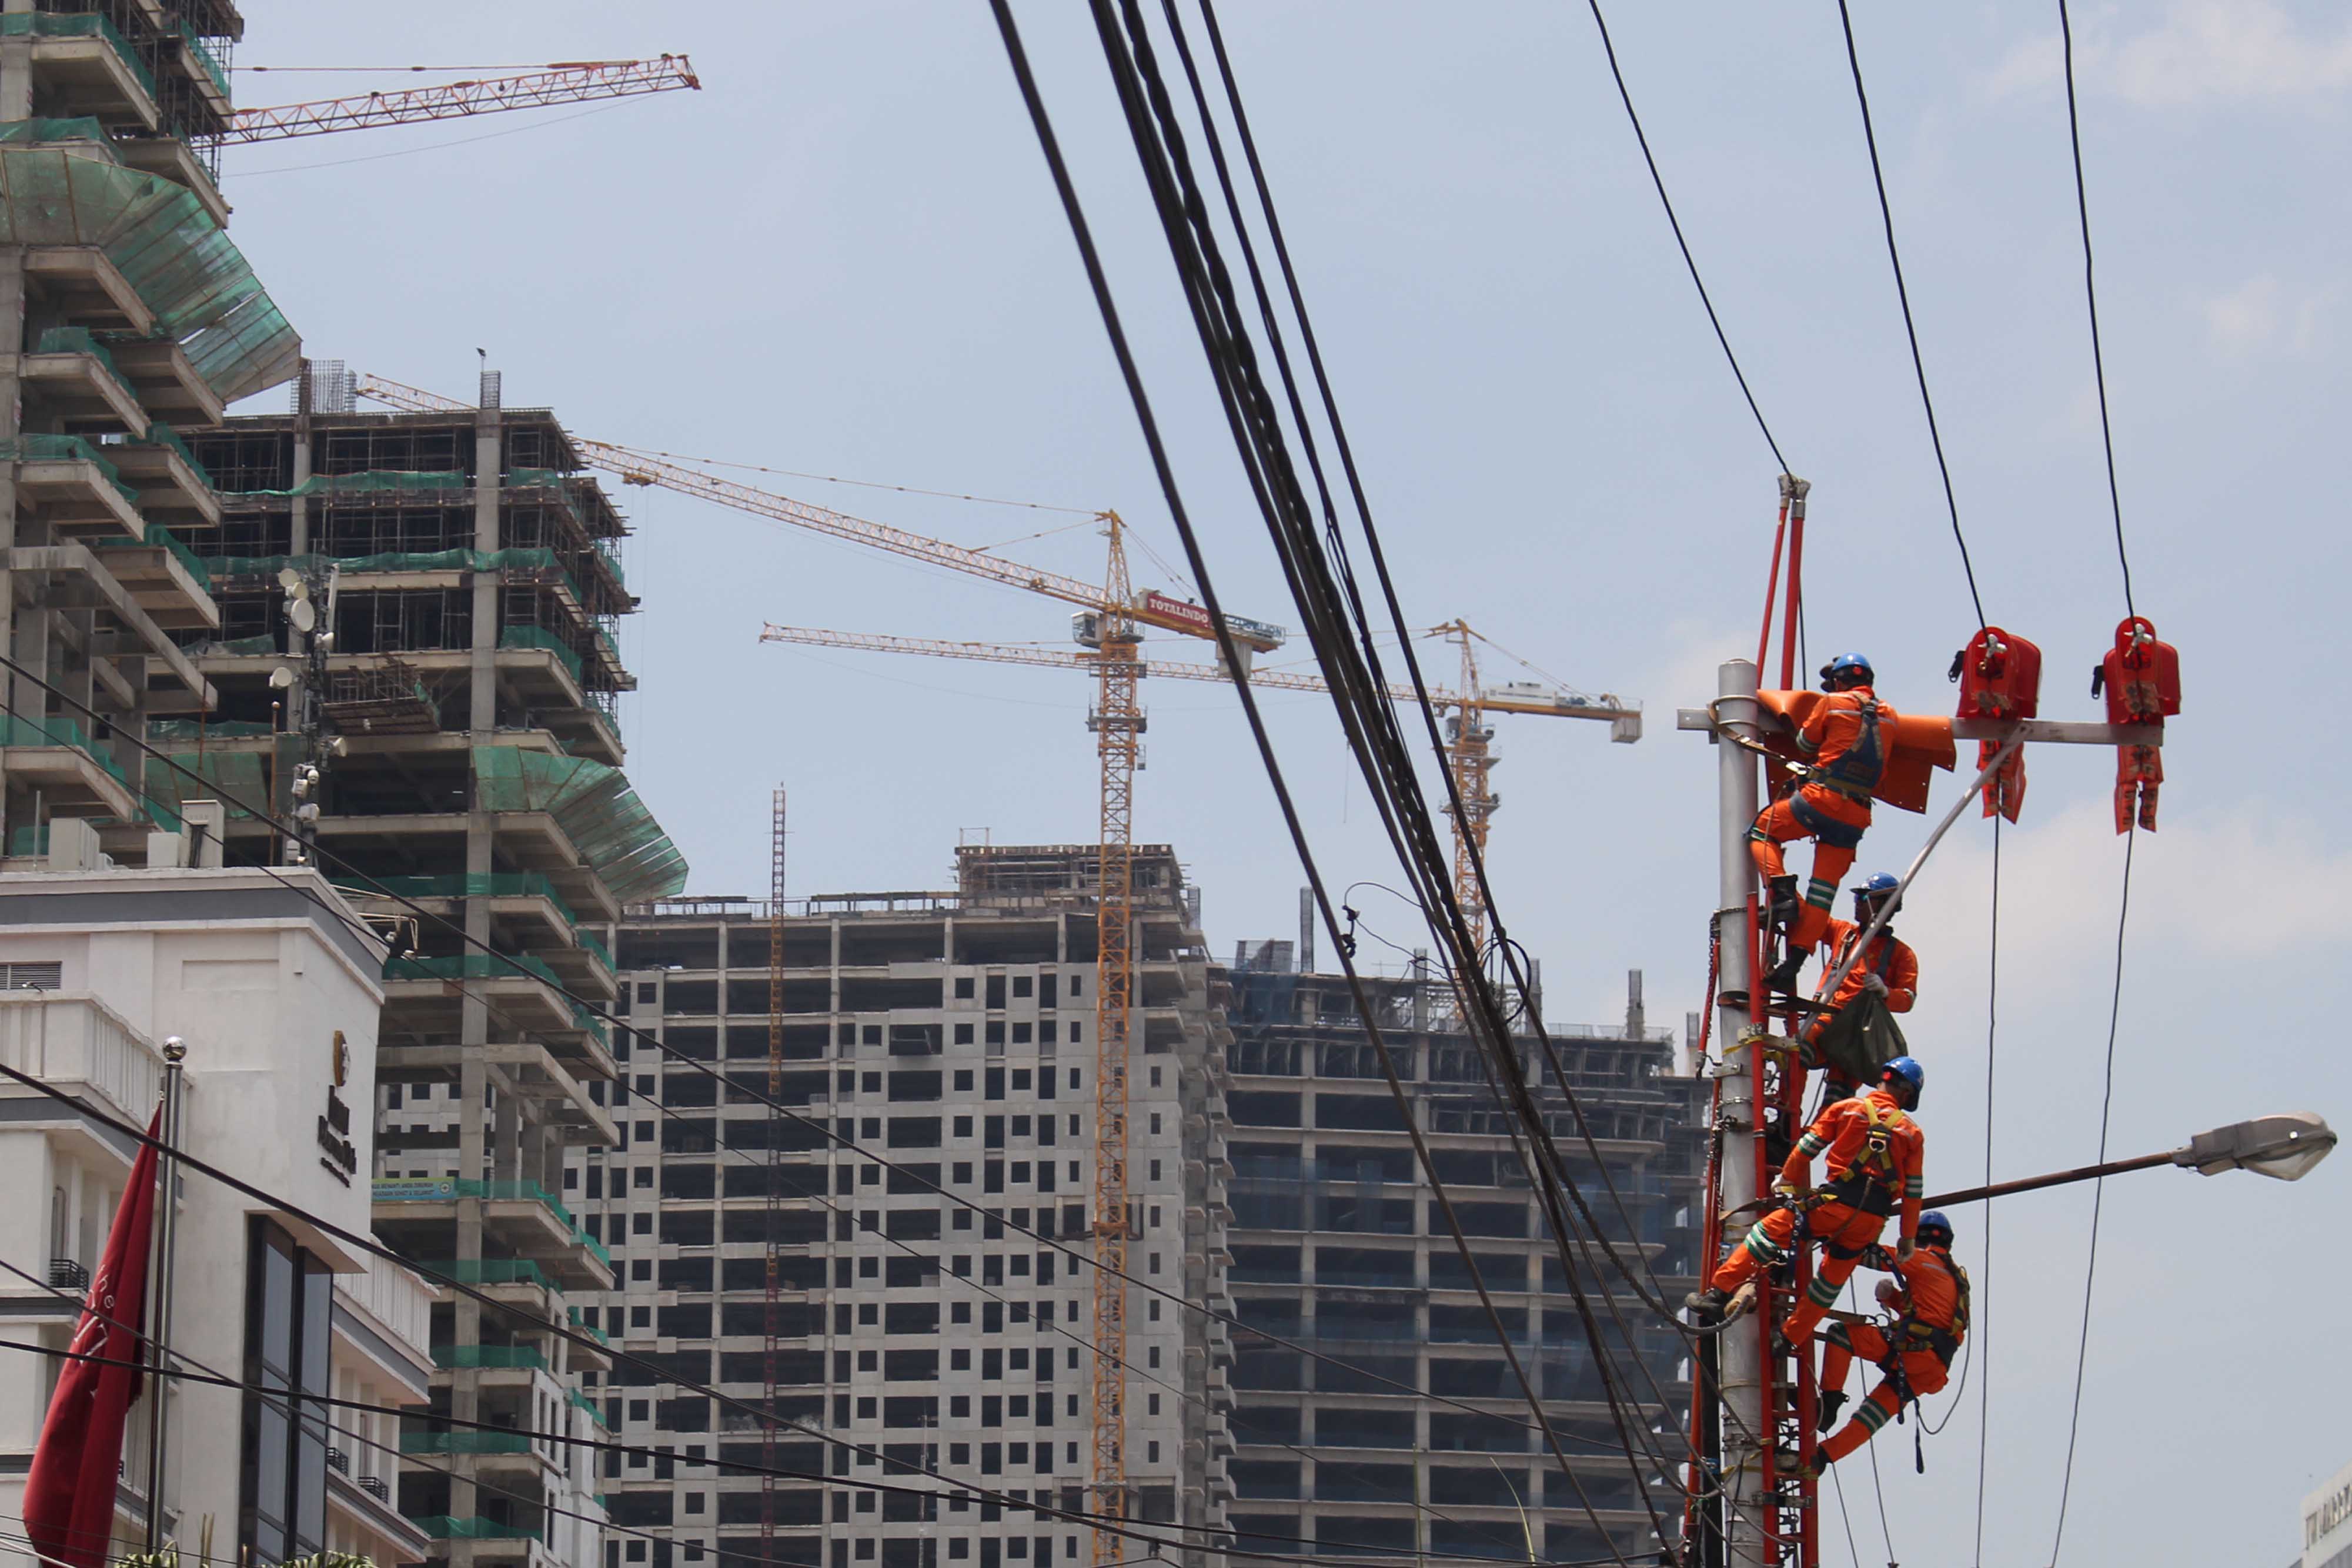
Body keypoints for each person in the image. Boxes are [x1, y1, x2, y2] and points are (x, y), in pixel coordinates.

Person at [1687, 1057, 1926, 1349]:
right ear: (1908, 1095)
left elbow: (1806, 1148)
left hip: (1833, 1205)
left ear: (1883, 1082)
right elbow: (1914, 1192)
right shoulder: (1912, 1134)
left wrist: (1786, 1178)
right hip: (1870, 1222)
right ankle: (1788, 1339)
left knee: (1767, 1232)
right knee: (1829, 1284)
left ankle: (1719, 1293)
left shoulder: (1847, 1109)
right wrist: (1908, 1237)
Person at [1750, 653, 1899, 994]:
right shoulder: (1890, 714)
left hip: (1823, 798)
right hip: (1857, 815)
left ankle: (1782, 894)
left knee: (1762, 830)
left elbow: (1806, 743)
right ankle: (1793, 966)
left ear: (1838, 681)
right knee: (1822, 893)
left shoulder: (1832, 703)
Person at [1804, 1210, 1970, 1476]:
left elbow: (1871, 1256)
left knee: (1841, 1335)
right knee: (1873, 1414)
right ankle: (1822, 1456)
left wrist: (1831, 1236)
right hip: (1932, 1368)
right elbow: (1929, 1314)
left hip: (1914, 1351)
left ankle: (1828, 1404)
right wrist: (1892, 1297)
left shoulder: (1921, 1259)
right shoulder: (1954, 1279)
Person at [1800, 873, 1919, 1096]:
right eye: (1858, 898)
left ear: (1885, 904)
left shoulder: (1901, 954)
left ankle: (1818, 1131)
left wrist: (1885, 992)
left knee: (1839, 1095)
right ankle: (1787, 1118)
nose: (1857, 903)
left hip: (1857, 1032)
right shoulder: (1843, 933)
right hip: (1828, 1014)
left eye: (1865, 899)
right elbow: (1812, 916)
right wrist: (1784, 888)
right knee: (1798, 1051)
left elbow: (1907, 999)